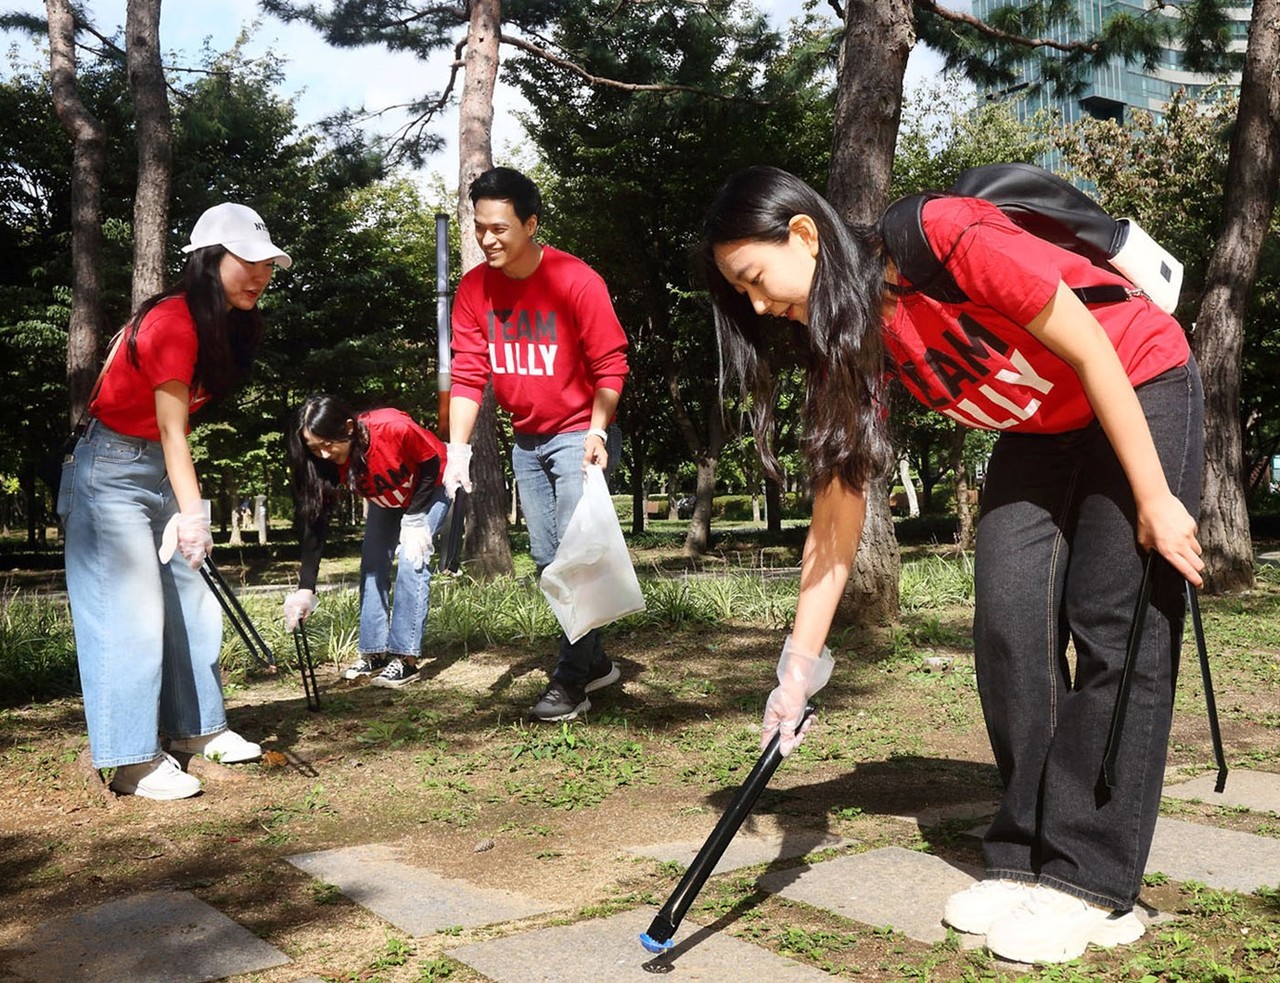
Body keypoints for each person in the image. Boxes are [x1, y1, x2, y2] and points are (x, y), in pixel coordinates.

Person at [697, 166, 1204, 965]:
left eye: (755, 280)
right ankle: (1030, 845)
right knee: (1008, 620)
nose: (760, 307)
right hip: (1040, 430)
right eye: (743, 295)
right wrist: (798, 666)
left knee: (1115, 622)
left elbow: (1088, 340)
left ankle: (1093, 880)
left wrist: (1154, 494)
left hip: (1136, 379)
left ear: (802, 234)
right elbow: (837, 512)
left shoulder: (935, 237)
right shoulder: (845, 342)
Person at [59, 203, 290, 800]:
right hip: (109, 470)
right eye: (249, 261)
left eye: (268, 264)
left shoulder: (228, 324)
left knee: (193, 598)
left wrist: (185, 507)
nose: (261, 274)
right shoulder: (172, 322)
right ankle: (132, 761)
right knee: (130, 611)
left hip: (154, 468)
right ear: (210, 261)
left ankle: (199, 728)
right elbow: (171, 429)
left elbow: (170, 439)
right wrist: (193, 515)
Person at [444, 166, 630, 722]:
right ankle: (595, 663)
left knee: (573, 561)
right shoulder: (475, 290)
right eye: (480, 227)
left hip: (579, 433)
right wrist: (456, 451)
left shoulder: (576, 280)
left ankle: (570, 683)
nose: (487, 239)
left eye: (499, 228)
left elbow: (610, 363)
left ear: (530, 223)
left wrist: (598, 429)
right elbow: (469, 373)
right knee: (549, 562)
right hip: (527, 439)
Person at [282, 395, 450, 688]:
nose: (322, 454)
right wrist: (305, 588)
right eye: (314, 447)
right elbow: (317, 520)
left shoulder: (393, 427)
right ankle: (374, 654)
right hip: (387, 500)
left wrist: (414, 519)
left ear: (348, 428)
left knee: (413, 559)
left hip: (432, 486)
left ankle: (405, 659)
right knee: (372, 562)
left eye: (327, 445)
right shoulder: (325, 462)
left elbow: (430, 463)